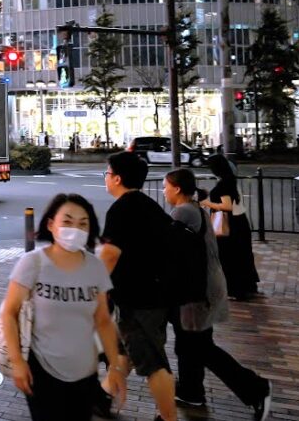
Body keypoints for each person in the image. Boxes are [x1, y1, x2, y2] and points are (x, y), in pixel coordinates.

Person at [2, 193, 126, 421]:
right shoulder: (33, 263)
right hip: (42, 371)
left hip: (85, 374)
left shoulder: (95, 268)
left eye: (83, 223)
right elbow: (9, 313)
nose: (75, 229)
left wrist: (115, 367)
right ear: (51, 224)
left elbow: (103, 321)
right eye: (67, 221)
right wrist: (17, 361)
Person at [162, 169, 273, 420]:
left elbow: (172, 255)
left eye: (166, 186)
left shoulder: (183, 213)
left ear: (177, 189)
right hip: (206, 287)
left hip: (197, 292)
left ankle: (256, 389)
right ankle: (191, 391)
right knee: (189, 342)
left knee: (199, 346)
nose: (164, 190)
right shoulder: (195, 208)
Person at [100, 152, 178, 421]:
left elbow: (109, 254)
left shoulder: (121, 209)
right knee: (124, 352)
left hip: (139, 299)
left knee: (153, 364)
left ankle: (169, 418)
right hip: (155, 294)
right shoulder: (149, 205)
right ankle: (101, 398)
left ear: (117, 178)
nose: (105, 178)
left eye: (107, 173)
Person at [204, 155, 260, 300]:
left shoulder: (224, 184)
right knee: (243, 255)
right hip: (239, 221)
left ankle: (236, 289)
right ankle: (248, 286)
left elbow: (226, 206)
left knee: (230, 256)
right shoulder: (231, 180)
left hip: (229, 224)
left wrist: (207, 203)